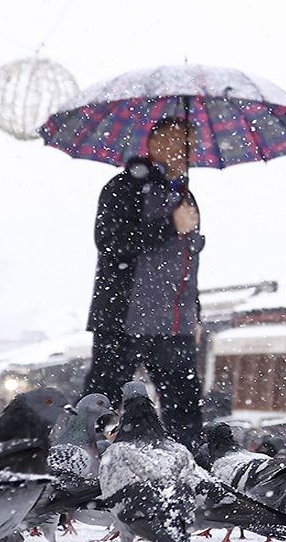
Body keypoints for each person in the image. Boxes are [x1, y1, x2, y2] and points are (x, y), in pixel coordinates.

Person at [82, 115, 207, 452]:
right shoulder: (123, 187)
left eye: (191, 145)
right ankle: (79, 468)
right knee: (99, 404)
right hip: (125, 319)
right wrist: (170, 225)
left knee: (185, 415)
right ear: (152, 144)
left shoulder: (186, 197)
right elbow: (110, 242)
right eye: (177, 142)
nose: (186, 152)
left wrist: (195, 315)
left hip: (175, 324)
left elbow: (188, 266)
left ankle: (188, 474)